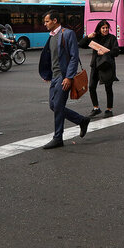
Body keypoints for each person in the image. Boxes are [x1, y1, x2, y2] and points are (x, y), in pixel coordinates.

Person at [38, 10, 90, 149]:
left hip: (64, 76)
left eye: (47, 21)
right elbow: (52, 57)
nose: (45, 24)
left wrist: (69, 77)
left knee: (58, 106)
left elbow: (74, 56)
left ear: (55, 21)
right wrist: (48, 74)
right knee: (53, 105)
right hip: (54, 76)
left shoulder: (67, 34)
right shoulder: (51, 36)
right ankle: (81, 120)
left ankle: (58, 138)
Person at [79, 19, 120, 118]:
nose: (105, 29)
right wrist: (88, 36)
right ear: (99, 29)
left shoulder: (112, 38)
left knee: (108, 88)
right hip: (95, 66)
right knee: (92, 87)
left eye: (106, 28)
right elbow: (81, 44)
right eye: (103, 28)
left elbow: (116, 51)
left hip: (107, 66)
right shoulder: (95, 37)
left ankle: (109, 109)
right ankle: (96, 108)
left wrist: (105, 52)